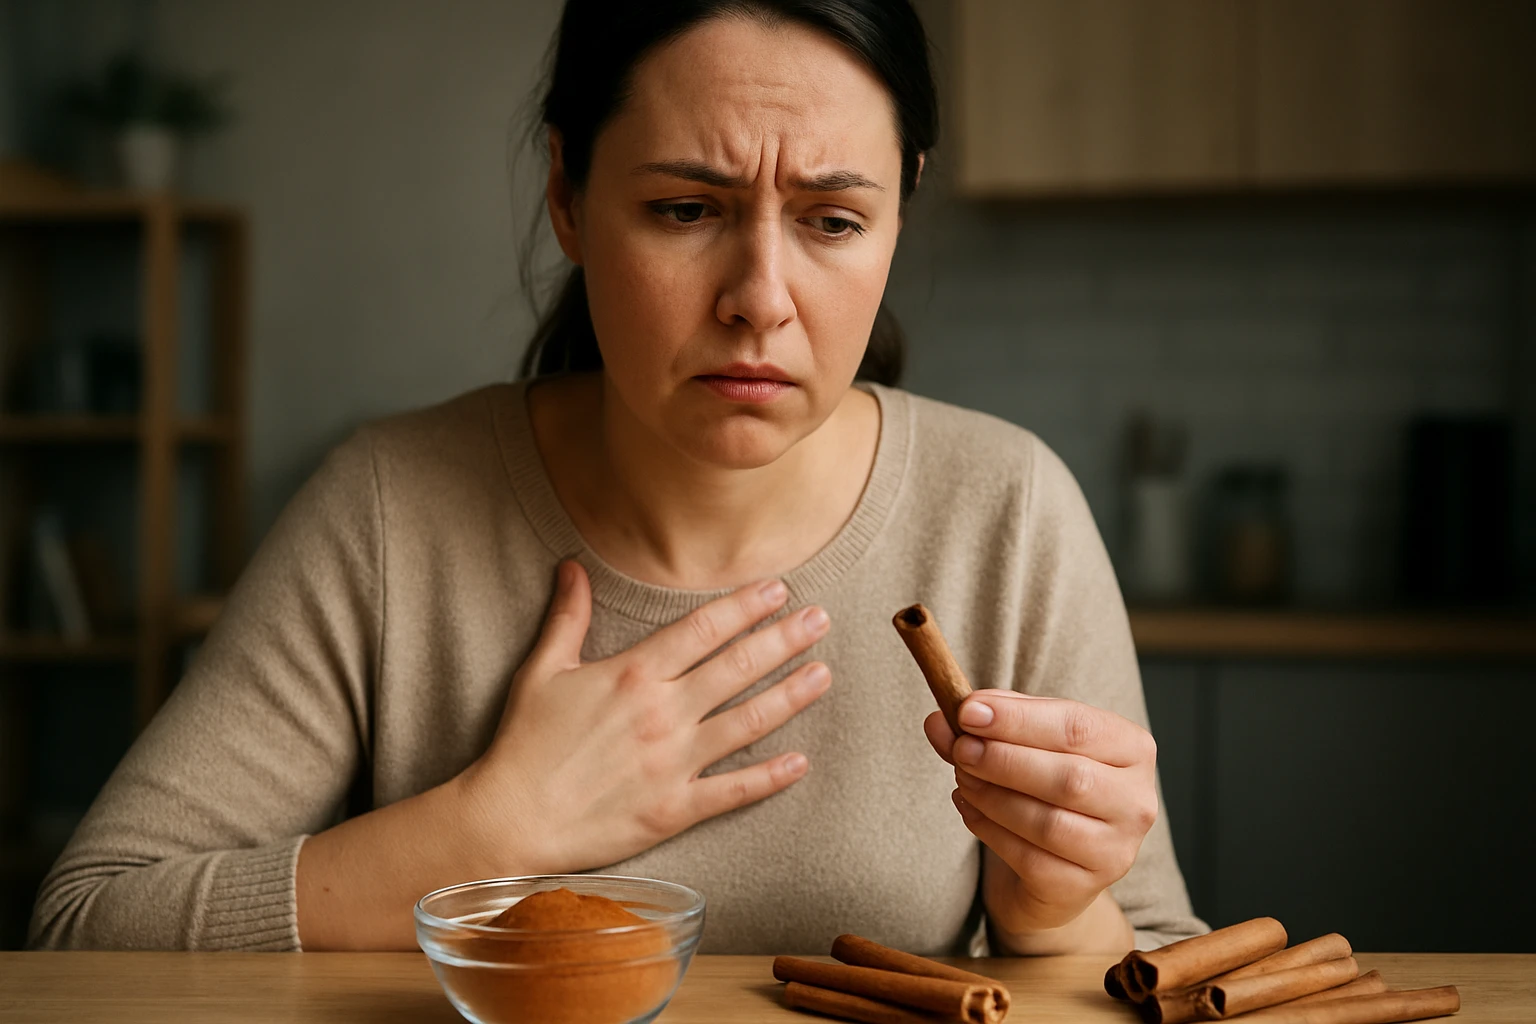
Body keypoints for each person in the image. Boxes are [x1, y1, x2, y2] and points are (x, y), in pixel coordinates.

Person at [30, 0, 1204, 956]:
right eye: (685, 209)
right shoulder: (388, 507)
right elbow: (88, 922)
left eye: (834, 221)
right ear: (567, 194)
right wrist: (487, 828)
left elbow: (1156, 959)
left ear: (903, 205)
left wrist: (1050, 914)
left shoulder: (1007, 510)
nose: (760, 298)